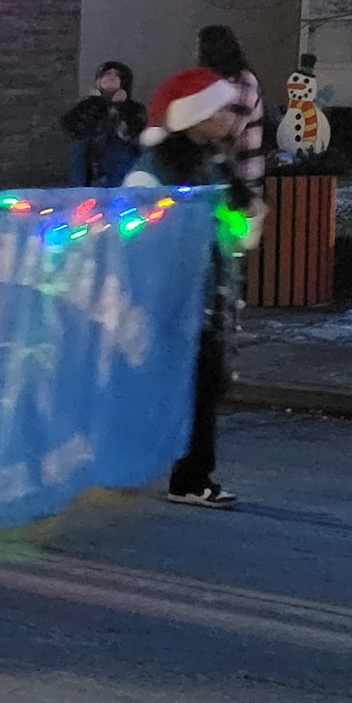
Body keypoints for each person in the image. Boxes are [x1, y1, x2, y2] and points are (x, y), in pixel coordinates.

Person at [126, 67, 257, 510]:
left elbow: (233, 227)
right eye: (218, 109)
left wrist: (241, 220)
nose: (227, 117)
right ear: (194, 115)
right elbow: (134, 233)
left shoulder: (213, 162)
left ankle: (187, 474)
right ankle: (183, 476)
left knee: (203, 387)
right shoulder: (154, 171)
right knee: (182, 386)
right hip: (171, 297)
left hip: (206, 296)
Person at [195, 26, 265, 196]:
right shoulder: (212, 84)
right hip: (214, 182)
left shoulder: (243, 81)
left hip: (241, 181)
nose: (195, 53)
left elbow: (227, 130)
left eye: (198, 47)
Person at [60, 60, 146, 186]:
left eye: (116, 75)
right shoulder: (86, 106)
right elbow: (72, 127)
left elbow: (132, 134)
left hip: (118, 170)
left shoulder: (134, 109)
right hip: (87, 170)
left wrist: (119, 108)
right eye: (107, 73)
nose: (111, 77)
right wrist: (97, 103)